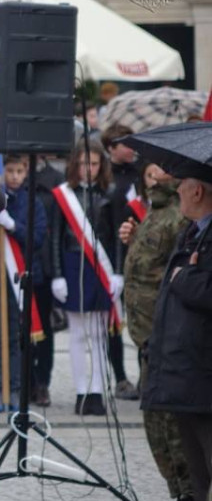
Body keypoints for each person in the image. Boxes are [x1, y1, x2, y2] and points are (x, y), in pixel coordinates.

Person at [120, 162, 194, 501]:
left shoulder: (180, 217)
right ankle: (179, 494)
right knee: (154, 421)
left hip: (165, 335)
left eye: (162, 169)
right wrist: (131, 238)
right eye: (150, 170)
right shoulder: (156, 211)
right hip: (145, 334)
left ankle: (190, 499)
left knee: (170, 425)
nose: (155, 176)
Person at [142, 170, 212, 501]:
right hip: (184, 370)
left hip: (203, 372)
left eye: (182, 185)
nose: (177, 191)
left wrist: (184, 278)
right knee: (198, 472)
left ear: (197, 191)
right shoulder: (191, 233)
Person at [50, 140, 119, 416]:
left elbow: (115, 238)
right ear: (74, 165)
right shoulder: (62, 195)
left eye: (93, 163)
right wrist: (57, 275)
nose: (88, 169)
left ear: (101, 165)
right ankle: (81, 391)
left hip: (100, 268)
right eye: (83, 164)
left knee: (99, 334)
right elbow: (55, 237)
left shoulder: (110, 194)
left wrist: (119, 273)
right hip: (72, 263)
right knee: (78, 334)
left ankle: (98, 392)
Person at [0, 154, 47, 412]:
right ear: (1, 171)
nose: (15, 176)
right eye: (10, 170)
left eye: (20, 171)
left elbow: (37, 239)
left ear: (27, 172)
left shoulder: (32, 202)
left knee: (16, 337)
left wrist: (13, 225)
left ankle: (15, 389)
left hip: (20, 279)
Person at [101, 123, 140, 401]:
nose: (131, 148)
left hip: (139, 255)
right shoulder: (105, 178)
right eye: (125, 143)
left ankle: (145, 377)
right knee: (114, 323)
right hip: (111, 255)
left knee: (141, 320)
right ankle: (120, 378)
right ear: (111, 148)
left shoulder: (142, 172)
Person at [31, 155, 66, 407]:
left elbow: (59, 228)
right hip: (16, 262)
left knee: (43, 329)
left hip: (42, 265)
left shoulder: (56, 179)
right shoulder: (9, 174)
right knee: (19, 332)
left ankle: (42, 382)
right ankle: (23, 382)